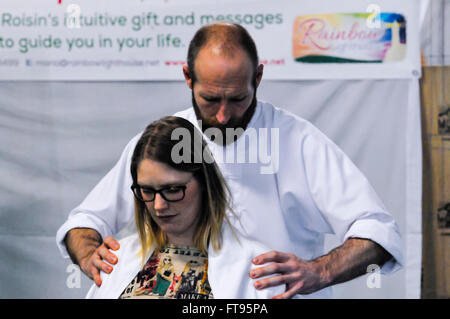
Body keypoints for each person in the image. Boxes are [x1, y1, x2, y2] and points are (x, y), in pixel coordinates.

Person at [58, 22, 403, 299]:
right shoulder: (162, 144)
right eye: (209, 99)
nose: (223, 117)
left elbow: (377, 231)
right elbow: (85, 220)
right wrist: (88, 251)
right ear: (187, 78)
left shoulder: (299, 142)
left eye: (237, 99)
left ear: (258, 78)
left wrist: (321, 271)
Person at [86, 116, 283, 298]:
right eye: (147, 190)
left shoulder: (259, 268)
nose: (158, 205)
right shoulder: (115, 260)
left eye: (172, 189)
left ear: (205, 183)